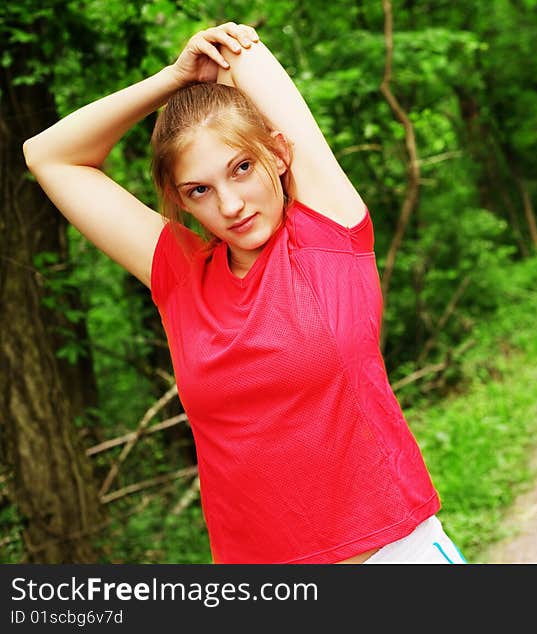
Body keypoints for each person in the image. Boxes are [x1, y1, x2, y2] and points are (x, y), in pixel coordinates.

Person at [23, 22, 467, 565]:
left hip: (391, 558)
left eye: (242, 168)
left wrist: (214, 57)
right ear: (181, 201)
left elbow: (243, 50)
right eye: (200, 190)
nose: (230, 204)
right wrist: (171, 79)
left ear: (278, 155)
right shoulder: (181, 277)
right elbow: (48, 155)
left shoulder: (328, 236)